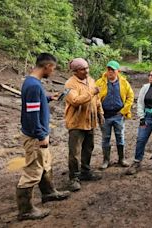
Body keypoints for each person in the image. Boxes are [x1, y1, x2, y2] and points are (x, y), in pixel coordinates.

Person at [16, 53, 70, 220]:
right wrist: (41, 136)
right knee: (33, 170)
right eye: (53, 68)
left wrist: (47, 98)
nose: (53, 71)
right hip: (34, 136)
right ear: (47, 66)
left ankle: (48, 192)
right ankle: (25, 210)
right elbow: (32, 116)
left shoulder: (32, 83)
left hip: (38, 133)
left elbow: (34, 104)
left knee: (45, 164)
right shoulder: (34, 86)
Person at [64, 58, 104, 192]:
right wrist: (91, 92)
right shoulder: (69, 84)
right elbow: (75, 101)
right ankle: (73, 178)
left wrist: (100, 113)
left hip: (90, 122)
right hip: (76, 123)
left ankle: (85, 171)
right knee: (74, 152)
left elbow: (97, 100)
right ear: (75, 71)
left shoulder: (90, 80)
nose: (86, 71)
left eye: (87, 68)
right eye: (83, 69)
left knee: (88, 148)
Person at [95, 60, 134, 169]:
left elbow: (130, 97)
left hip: (118, 115)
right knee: (105, 138)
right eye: (108, 69)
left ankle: (121, 159)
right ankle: (106, 160)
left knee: (120, 136)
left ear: (118, 71)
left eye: (113, 69)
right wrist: (99, 112)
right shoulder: (100, 82)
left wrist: (123, 111)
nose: (110, 71)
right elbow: (95, 97)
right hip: (104, 115)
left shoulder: (124, 82)